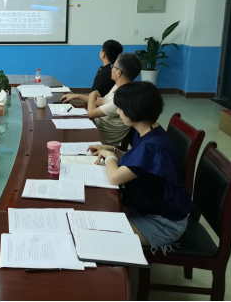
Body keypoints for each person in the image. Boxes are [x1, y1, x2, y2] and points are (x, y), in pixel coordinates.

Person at [89, 81, 193, 251]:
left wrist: (109, 156)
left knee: (96, 234)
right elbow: (137, 161)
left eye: (121, 108)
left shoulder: (152, 146)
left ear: (134, 111)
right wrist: (113, 150)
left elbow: (114, 178)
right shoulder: (149, 131)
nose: (118, 111)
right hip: (148, 208)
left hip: (163, 224)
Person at [61, 53, 142, 147]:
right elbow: (102, 101)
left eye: (113, 66)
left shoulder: (122, 98)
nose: (111, 69)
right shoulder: (119, 86)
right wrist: (77, 96)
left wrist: (92, 94)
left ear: (119, 73)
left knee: (63, 135)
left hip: (101, 139)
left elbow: (91, 113)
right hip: (96, 126)